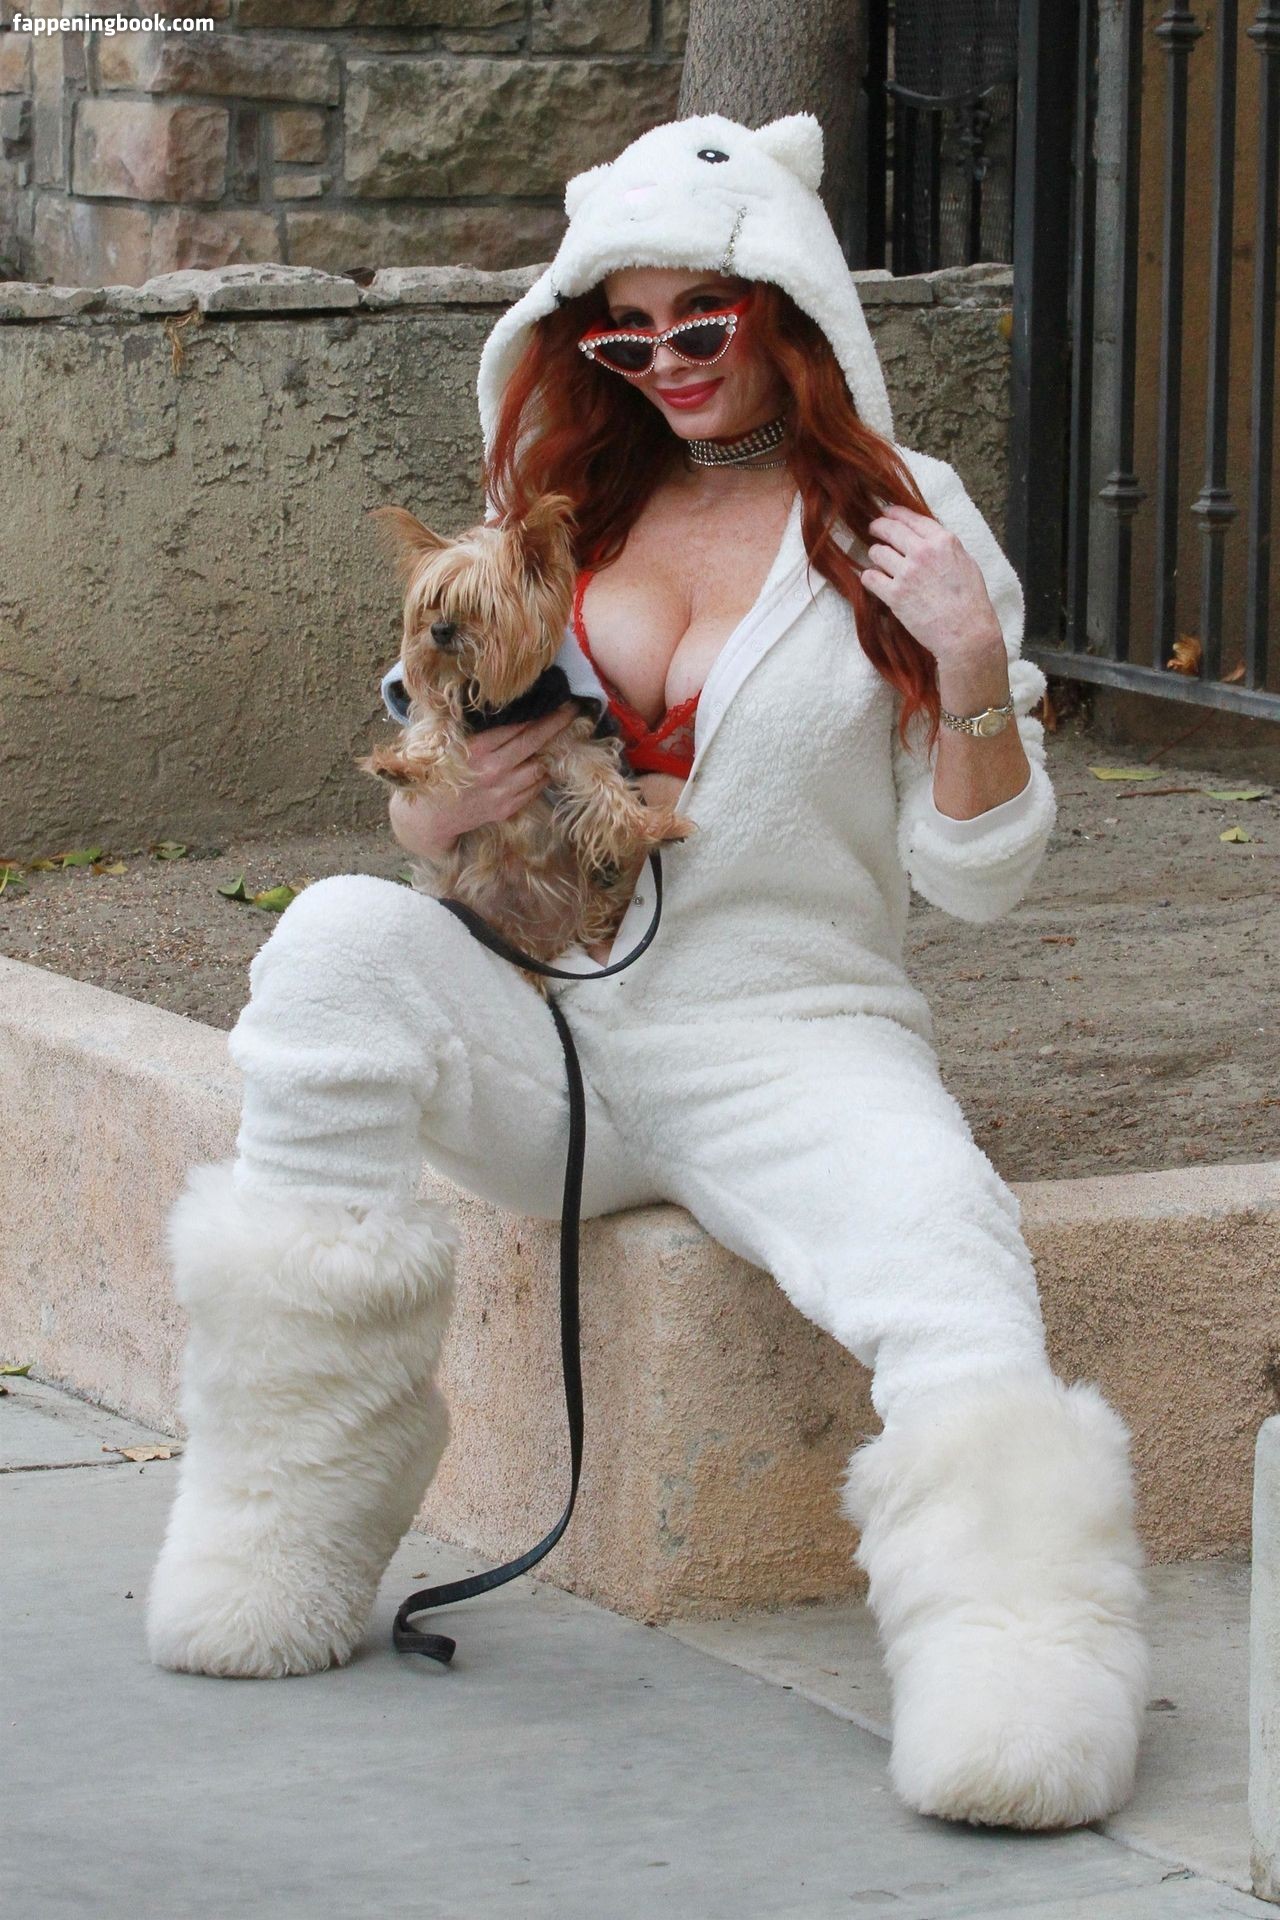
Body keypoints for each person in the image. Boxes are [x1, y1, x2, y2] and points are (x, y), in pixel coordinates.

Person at [146, 111, 1150, 1833]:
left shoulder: (911, 527)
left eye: (704, 320)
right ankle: (287, 1512)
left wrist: (974, 661)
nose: (668, 361)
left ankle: (1021, 1683)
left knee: (946, 1249)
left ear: (790, 308)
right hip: (544, 1030)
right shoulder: (558, 512)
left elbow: (980, 877)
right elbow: (416, 818)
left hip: (792, 1042)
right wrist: (456, 797)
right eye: (625, 334)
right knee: (331, 943)